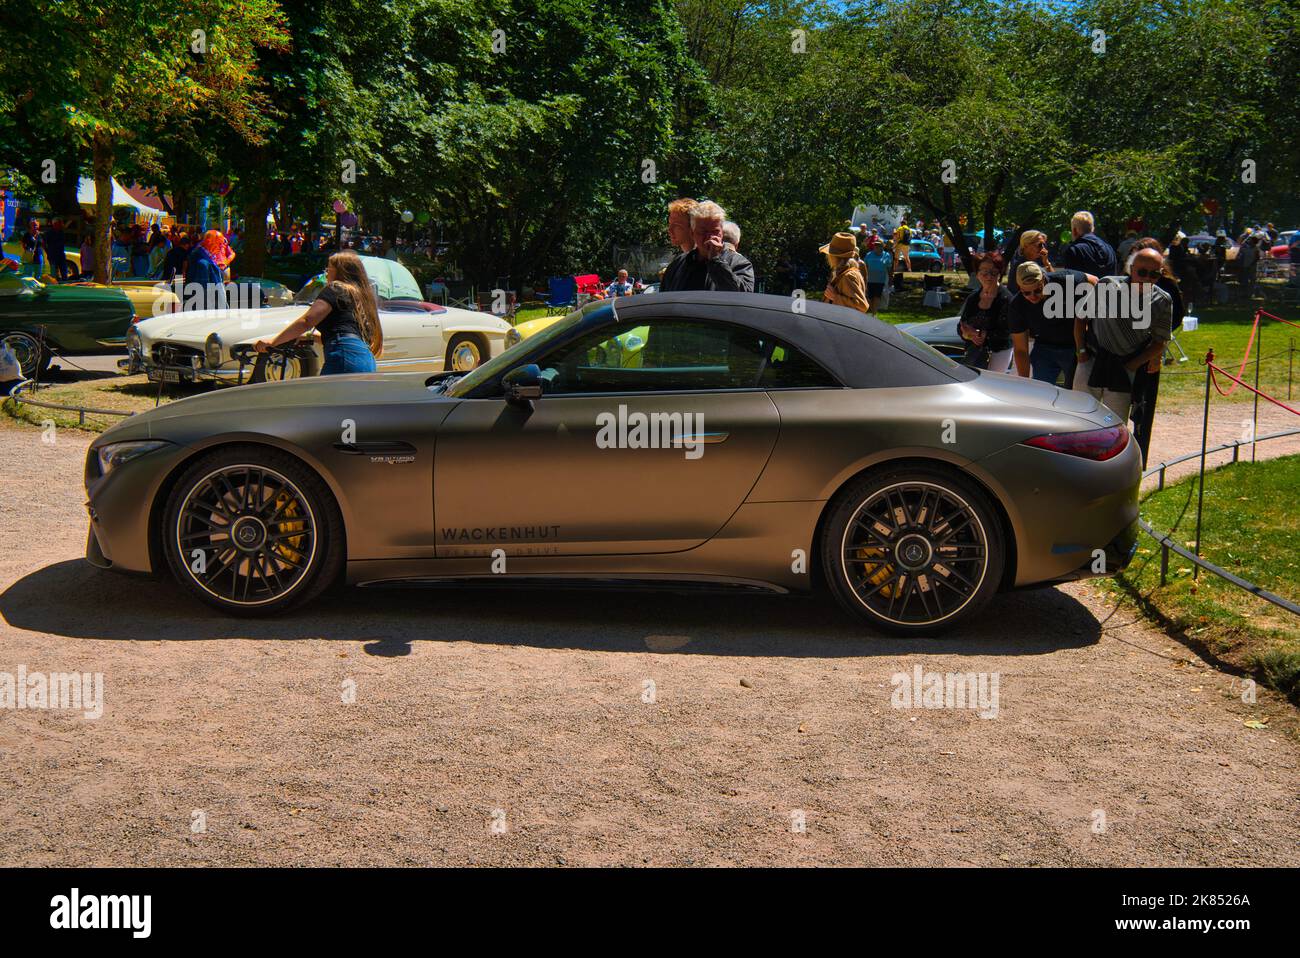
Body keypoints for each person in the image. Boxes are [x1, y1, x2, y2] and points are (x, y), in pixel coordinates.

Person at [1073, 247, 1172, 423]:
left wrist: (1132, 365)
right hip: (1092, 359)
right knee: (1080, 417)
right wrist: (1081, 352)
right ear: (1132, 269)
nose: (1147, 278)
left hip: (1124, 368)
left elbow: (1160, 341)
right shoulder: (1106, 285)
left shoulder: (1163, 300)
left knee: (1114, 425)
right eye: (1142, 272)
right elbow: (1081, 319)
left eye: (1154, 274)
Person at [254, 251, 382, 375]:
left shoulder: (336, 288)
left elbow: (307, 321)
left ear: (340, 272)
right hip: (366, 361)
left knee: (326, 396)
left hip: (344, 358)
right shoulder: (362, 297)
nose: (326, 274)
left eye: (329, 269)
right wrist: (311, 337)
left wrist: (273, 342)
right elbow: (347, 333)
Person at [1008, 261, 1099, 383]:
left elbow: (1095, 281)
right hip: (1044, 348)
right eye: (1026, 293)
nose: (1033, 296)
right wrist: (1024, 382)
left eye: (1038, 290)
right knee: (1041, 392)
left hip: (1074, 345)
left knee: (1076, 392)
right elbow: (1020, 350)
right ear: (1020, 288)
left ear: (1044, 280)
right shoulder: (1017, 305)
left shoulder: (1067, 281)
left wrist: (1091, 313)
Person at [659, 201, 754, 292]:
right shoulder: (679, 264)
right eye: (703, 232)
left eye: (715, 232)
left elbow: (742, 297)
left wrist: (716, 261)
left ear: (721, 232)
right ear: (692, 233)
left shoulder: (739, 263)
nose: (709, 237)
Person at [958, 252, 1013, 372]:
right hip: (974, 352)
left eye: (993, 272)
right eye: (984, 272)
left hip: (999, 351)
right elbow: (961, 325)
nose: (989, 276)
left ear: (1000, 273)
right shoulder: (973, 298)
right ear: (977, 274)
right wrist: (967, 334)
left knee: (992, 385)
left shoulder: (1006, 299)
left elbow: (1006, 331)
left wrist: (980, 334)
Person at [820, 232, 867, 313]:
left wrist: (835, 297)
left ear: (834, 256)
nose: (827, 257)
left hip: (841, 323)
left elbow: (861, 306)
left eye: (829, 254)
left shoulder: (849, 275)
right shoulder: (842, 272)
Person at [1062, 210, 1116, 279]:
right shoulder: (1109, 248)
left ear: (1074, 231)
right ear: (1092, 229)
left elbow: (1070, 283)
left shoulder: (1074, 250)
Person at [184, 231, 228, 311]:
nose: (221, 247)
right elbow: (202, 295)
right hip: (208, 314)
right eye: (219, 244)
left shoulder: (206, 260)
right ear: (209, 242)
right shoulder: (202, 264)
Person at [1006, 229, 1053, 294]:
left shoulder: (1039, 260)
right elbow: (1013, 292)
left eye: (1044, 245)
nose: (1043, 248)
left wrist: (1046, 262)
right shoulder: (1020, 266)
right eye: (1039, 245)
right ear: (1026, 245)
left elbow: (1055, 281)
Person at [861, 236, 892, 313]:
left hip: (880, 280)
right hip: (869, 280)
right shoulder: (869, 255)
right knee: (870, 297)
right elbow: (865, 267)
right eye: (876, 245)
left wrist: (891, 279)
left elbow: (889, 268)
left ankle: (874, 313)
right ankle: (872, 311)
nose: (877, 247)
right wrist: (863, 278)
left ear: (883, 246)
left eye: (879, 245)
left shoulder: (886, 255)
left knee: (877, 297)